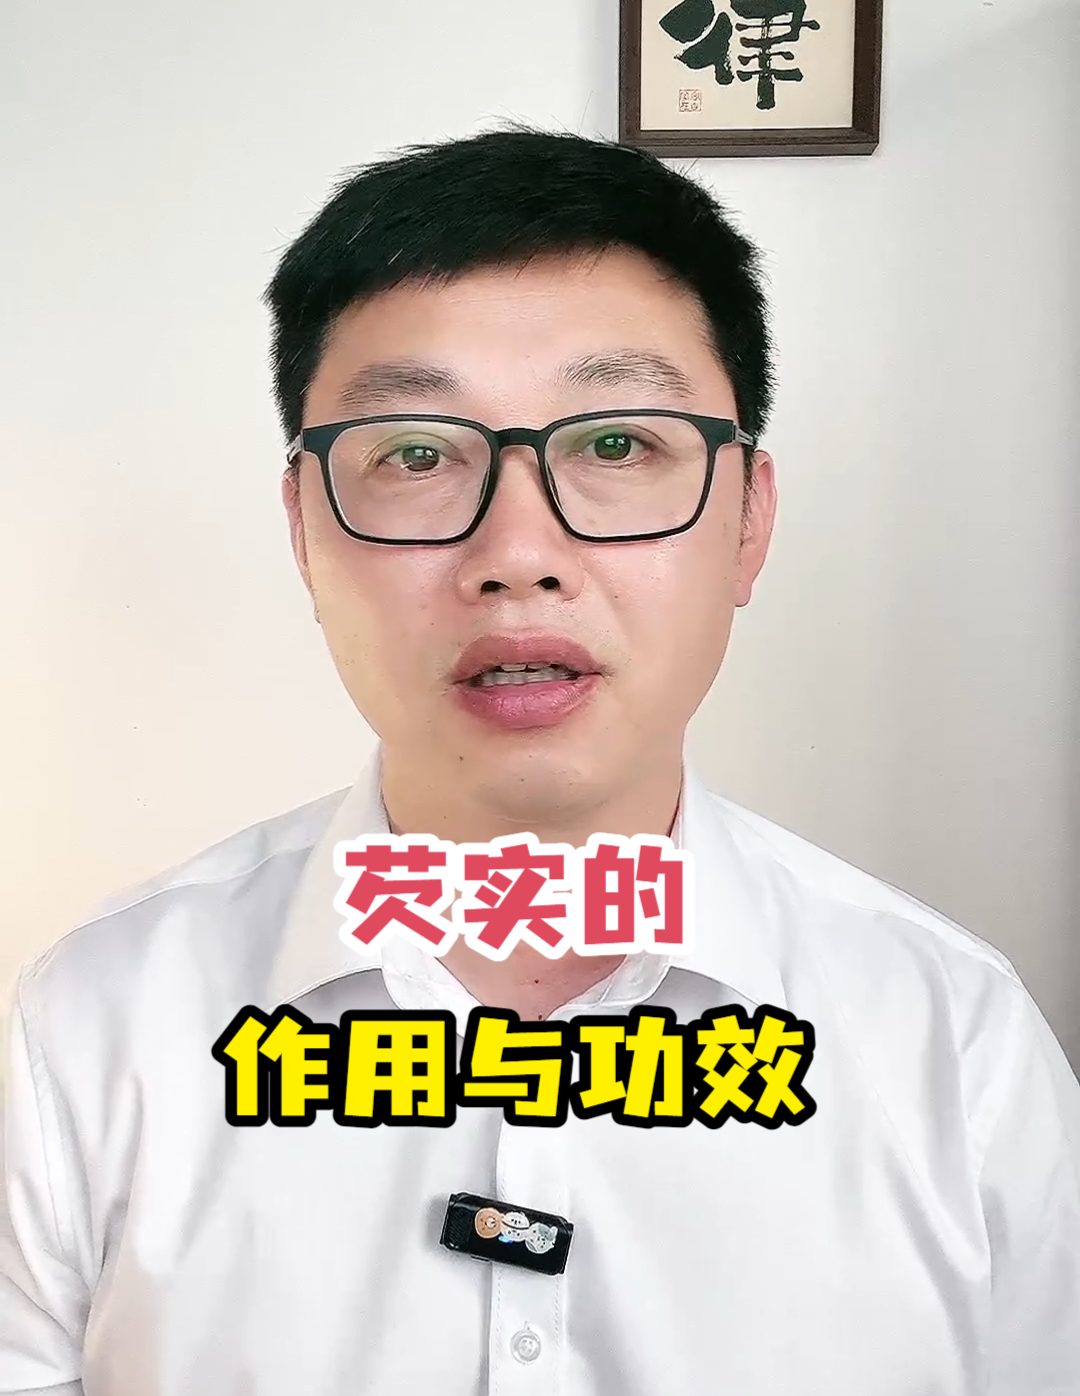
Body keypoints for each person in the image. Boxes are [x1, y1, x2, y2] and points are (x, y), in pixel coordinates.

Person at [1, 129, 1077, 1396]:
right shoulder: (97, 1029)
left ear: (750, 519)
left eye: (616, 444)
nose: (519, 553)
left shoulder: (953, 1041)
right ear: (304, 528)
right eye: (415, 452)